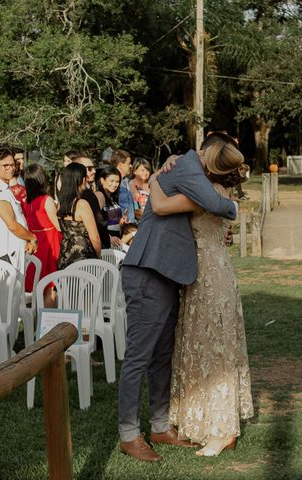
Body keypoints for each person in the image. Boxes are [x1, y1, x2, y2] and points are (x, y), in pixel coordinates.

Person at [118, 133, 238, 463]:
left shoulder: (186, 168)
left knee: (162, 354)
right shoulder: (188, 168)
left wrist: (157, 176)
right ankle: (129, 434)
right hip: (149, 270)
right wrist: (233, 207)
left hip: (168, 273)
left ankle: (159, 426)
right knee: (139, 356)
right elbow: (215, 205)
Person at [148, 142, 253, 457]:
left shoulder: (201, 194)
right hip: (216, 268)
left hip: (207, 273)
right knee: (212, 343)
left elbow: (160, 206)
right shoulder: (221, 191)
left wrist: (153, 180)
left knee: (212, 346)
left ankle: (221, 429)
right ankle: (209, 420)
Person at [0, 147, 37, 271]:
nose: (10, 168)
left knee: (16, 290)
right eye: (5, 165)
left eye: (12, 165)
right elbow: (12, 225)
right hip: (5, 256)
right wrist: (32, 237)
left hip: (13, 254)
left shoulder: (5, 188)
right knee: (6, 290)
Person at [22, 164, 62, 307]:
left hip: (36, 245)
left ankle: (38, 320)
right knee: (51, 287)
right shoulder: (47, 200)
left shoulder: (26, 202)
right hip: (50, 243)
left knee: (40, 286)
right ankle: (46, 324)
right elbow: (58, 225)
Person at [56, 163, 101, 270]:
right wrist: (99, 256)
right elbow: (95, 238)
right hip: (83, 258)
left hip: (65, 256)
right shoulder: (81, 204)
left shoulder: (60, 204)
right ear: (82, 179)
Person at [73, 154, 112, 248]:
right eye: (89, 169)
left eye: (93, 168)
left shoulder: (69, 194)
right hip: (90, 248)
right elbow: (98, 225)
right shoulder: (86, 194)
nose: (94, 171)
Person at [95, 166, 124, 240]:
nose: (115, 185)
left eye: (117, 182)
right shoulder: (99, 196)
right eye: (111, 181)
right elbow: (96, 222)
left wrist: (121, 220)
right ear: (102, 180)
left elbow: (113, 223)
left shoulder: (113, 198)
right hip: (105, 239)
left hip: (116, 238)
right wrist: (109, 237)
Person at [110, 149, 138, 222]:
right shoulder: (112, 184)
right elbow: (111, 204)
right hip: (119, 228)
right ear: (120, 165)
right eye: (128, 163)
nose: (131, 166)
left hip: (130, 226)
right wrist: (116, 224)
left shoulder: (126, 181)